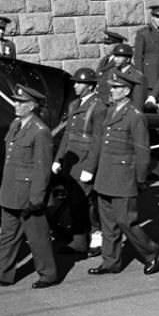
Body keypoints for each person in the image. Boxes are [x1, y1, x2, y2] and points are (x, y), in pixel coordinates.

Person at [83, 75, 159, 275]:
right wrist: (91, 169)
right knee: (108, 223)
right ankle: (111, 261)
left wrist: (140, 179)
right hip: (105, 176)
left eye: (117, 87)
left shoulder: (134, 115)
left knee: (126, 221)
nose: (112, 90)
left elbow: (143, 152)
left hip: (123, 177)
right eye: (112, 87)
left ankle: (150, 251)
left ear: (127, 91)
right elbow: (100, 143)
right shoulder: (111, 111)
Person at [0, 85, 58, 287]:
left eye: (21, 102)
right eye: (16, 100)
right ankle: (1, 274)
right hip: (10, 191)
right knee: (7, 236)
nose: (16, 104)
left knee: (38, 237)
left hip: (28, 194)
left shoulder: (40, 132)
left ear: (32, 106)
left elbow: (42, 169)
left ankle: (47, 274)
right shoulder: (15, 125)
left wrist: (37, 199)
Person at [52, 69, 103, 255]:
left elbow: (98, 140)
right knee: (74, 201)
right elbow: (67, 134)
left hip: (85, 160)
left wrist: (90, 167)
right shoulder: (74, 104)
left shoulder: (98, 107)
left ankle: (97, 238)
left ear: (90, 86)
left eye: (79, 83)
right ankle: (79, 240)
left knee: (88, 203)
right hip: (71, 161)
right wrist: (58, 158)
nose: (75, 86)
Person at [133, 4, 159, 98]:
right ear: (152, 17)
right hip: (150, 76)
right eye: (158, 17)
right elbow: (138, 57)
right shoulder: (144, 33)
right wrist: (140, 77)